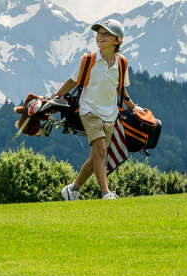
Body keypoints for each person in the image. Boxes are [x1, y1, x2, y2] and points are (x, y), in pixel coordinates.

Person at [50, 19, 138, 200]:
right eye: (99, 33)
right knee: (100, 150)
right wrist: (54, 98)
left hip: (110, 114)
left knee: (96, 156)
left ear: (118, 40)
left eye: (106, 34)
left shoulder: (122, 63)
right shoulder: (88, 60)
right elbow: (72, 81)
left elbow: (120, 88)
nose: (100, 36)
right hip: (89, 111)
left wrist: (133, 107)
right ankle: (106, 192)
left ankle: (72, 189)